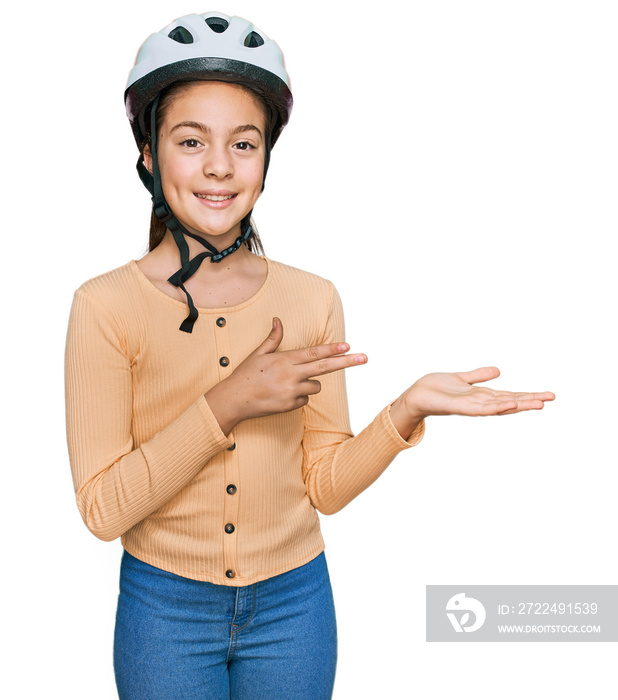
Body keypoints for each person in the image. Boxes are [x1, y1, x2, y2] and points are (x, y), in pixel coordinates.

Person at [65, 11, 555, 699]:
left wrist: (405, 410)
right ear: (149, 154)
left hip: (296, 606)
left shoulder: (311, 298)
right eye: (189, 141)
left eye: (243, 143)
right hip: (164, 611)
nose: (218, 166)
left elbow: (324, 486)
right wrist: (229, 402)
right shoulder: (104, 306)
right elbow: (102, 512)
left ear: (266, 158)